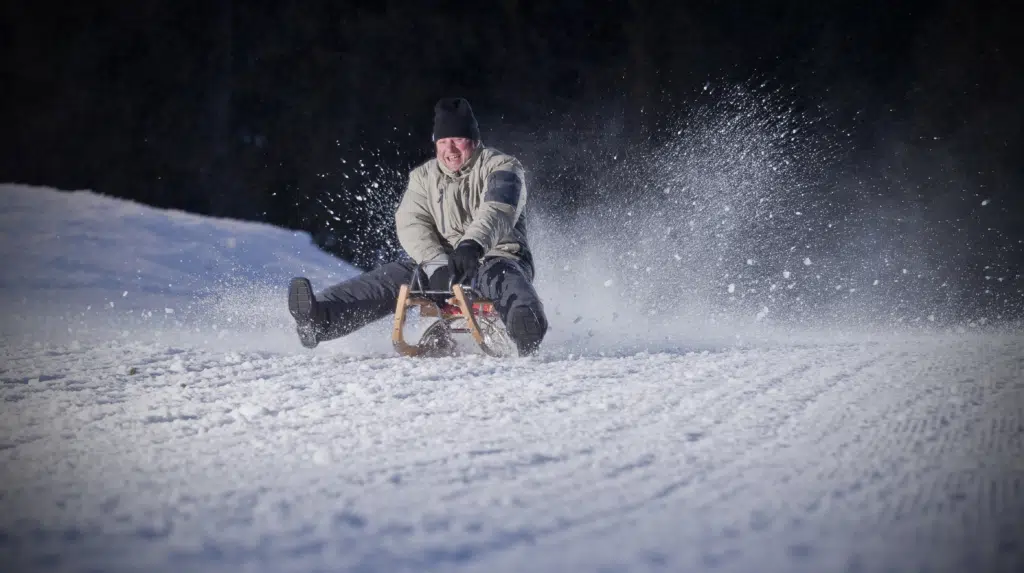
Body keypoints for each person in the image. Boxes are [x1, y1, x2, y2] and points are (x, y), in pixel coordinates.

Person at [287, 97, 548, 355]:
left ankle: (527, 325)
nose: (451, 149)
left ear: (474, 141)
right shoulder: (424, 177)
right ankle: (320, 318)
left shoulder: (502, 166)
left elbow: (499, 208)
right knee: (390, 279)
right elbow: (411, 221)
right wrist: (435, 262)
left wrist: (473, 245)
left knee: (504, 280)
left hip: (496, 255)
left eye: (458, 140)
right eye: (443, 141)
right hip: (443, 265)